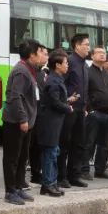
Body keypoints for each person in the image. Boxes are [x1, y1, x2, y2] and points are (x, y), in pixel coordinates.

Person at [3, 39, 46, 203]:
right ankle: (10, 191)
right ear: (32, 55)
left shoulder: (30, 70)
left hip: (27, 122)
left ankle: (18, 187)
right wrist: (22, 118)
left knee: (22, 157)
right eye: (40, 52)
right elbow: (15, 96)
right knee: (12, 158)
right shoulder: (21, 71)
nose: (42, 55)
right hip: (16, 122)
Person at [37, 51, 74, 197]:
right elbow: (54, 101)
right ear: (57, 65)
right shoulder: (53, 80)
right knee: (50, 153)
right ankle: (48, 184)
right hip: (50, 122)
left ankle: (51, 182)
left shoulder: (57, 79)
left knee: (53, 151)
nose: (67, 65)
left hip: (55, 121)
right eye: (65, 63)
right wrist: (67, 107)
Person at [61, 33, 90, 186]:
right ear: (77, 46)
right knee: (65, 142)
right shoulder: (70, 62)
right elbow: (62, 83)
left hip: (81, 109)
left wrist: (86, 106)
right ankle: (62, 176)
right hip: (69, 108)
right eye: (86, 44)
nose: (88, 48)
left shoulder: (85, 65)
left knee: (79, 144)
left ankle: (74, 175)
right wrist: (67, 98)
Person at [86, 46, 108, 180]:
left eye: (104, 53)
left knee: (105, 144)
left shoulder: (107, 74)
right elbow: (85, 92)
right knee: (89, 142)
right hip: (95, 113)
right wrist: (90, 110)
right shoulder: (88, 72)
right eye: (99, 52)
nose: (102, 55)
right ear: (92, 56)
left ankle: (100, 169)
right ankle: (84, 169)